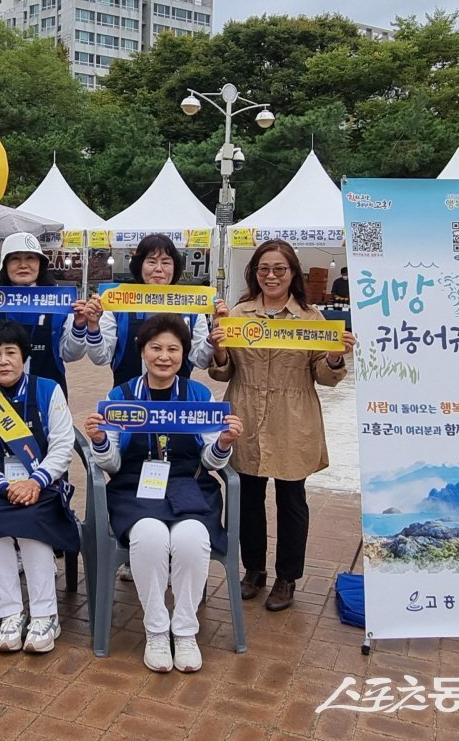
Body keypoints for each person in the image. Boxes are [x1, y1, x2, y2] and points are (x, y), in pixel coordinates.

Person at [86, 313, 243, 674]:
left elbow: (212, 461)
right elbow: (110, 464)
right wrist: (98, 440)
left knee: (192, 537)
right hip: (134, 486)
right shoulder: (121, 396)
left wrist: (222, 442)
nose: (164, 356)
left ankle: (185, 631)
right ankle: (156, 629)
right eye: (156, 347)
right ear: (142, 351)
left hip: (189, 484)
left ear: (184, 354)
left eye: (174, 349)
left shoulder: (198, 394)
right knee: (150, 536)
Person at [207, 239, 354, 612]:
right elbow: (222, 370)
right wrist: (219, 348)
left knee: (291, 500)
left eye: (279, 269)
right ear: (254, 274)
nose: (271, 276)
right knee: (248, 498)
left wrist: (335, 358)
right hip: (245, 411)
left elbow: (324, 376)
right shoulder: (237, 315)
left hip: (294, 417)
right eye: (264, 269)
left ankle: (287, 577)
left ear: (292, 274)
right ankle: (253, 570)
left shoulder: (312, 319)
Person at [0, 320, 79, 654]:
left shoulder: (47, 389)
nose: (3, 360)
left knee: (31, 530)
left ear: (24, 356)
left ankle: (45, 615)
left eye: (11, 352)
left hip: (42, 486)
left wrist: (35, 480)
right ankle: (10, 613)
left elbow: (62, 445)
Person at [0, 231, 89, 396]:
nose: (23, 265)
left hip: (49, 397)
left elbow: (71, 354)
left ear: (40, 264)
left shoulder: (59, 303)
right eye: (15, 258)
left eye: (30, 258)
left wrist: (79, 326)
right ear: (5, 265)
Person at [83, 234, 222, 386]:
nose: (158, 269)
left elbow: (201, 361)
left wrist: (213, 336)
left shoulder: (193, 306)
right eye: (151, 262)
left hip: (177, 403)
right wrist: (93, 325)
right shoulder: (117, 303)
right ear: (139, 266)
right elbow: (101, 357)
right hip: (127, 401)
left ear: (175, 267)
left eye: (166, 262)